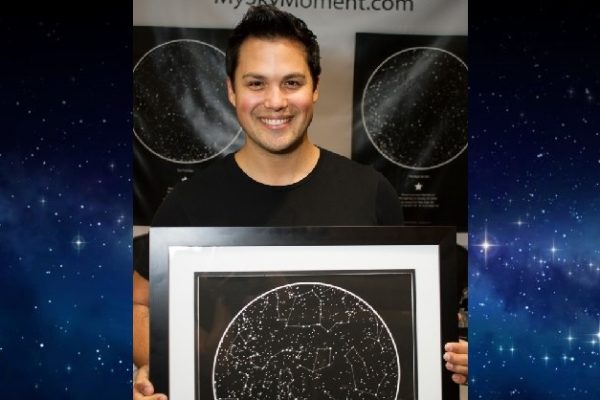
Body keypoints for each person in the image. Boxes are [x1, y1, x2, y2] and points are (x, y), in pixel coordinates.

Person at [133, 5, 467, 399]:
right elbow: (141, 303)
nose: (275, 102)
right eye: (256, 83)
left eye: (292, 82)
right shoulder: (187, 204)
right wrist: (161, 362)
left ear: (315, 87)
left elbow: (398, 319)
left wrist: (448, 355)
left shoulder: (370, 191)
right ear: (230, 89)